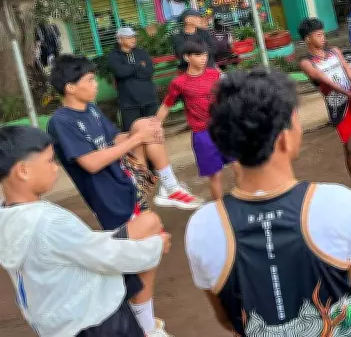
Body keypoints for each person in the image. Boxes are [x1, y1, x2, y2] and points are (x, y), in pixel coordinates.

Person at [185, 69, 351, 335]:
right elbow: (350, 289)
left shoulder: (202, 226)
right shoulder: (338, 203)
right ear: (283, 138)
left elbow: (226, 318)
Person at [47, 56, 200, 336]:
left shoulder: (91, 110)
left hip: (128, 180)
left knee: (144, 124)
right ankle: (145, 324)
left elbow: (115, 138)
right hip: (111, 201)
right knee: (143, 256)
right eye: (90, 80)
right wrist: (136, 140)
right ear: (70, 87)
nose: (96, 84)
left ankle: (170, 185)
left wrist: (139, 134)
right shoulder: (62, 121)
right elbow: (91, 163)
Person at [0, 125, 170, 337]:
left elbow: (78, 246)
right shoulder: (49, 222)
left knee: (147, 223)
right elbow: (104, 256)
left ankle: (146, 325)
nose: (56, 168)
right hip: (97, 322)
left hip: (57, 322)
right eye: (50, 161)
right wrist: (154, 247)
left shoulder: (7, 215)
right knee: (146, 236)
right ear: (23, 171)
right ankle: (147, 327)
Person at [298, 17, 351, 205]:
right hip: (337, 103)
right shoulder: (306, 63)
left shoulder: (334, 51)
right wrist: (348, 94)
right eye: (318, 35)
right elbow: (326, 82)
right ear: (308, 39)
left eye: (323, 33)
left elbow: (350, 74)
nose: (323, 37)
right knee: (350, 148)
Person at [157, 41, 240, 200]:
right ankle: (219, 207)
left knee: (239, 165)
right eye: (198, 55)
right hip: (202, 133)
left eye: (205, 54)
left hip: (224, 127)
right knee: (215, 175)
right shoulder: (179, 83)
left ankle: (246, 199)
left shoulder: (215, 74)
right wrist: (156, 125)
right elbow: (166, 105)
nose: (203, 58)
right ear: (187, 57)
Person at [109, 27, 160, 132]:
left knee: (154, 131)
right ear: (120, 40)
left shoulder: (142, 53)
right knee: (132, 133)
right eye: (128, 37)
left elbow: (149, 70)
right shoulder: (114, 56)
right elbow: (121, 72)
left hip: (149, 99)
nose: (133, 39)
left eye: (133, 37)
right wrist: (139, 66)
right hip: (129, 103)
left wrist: (130, 71)